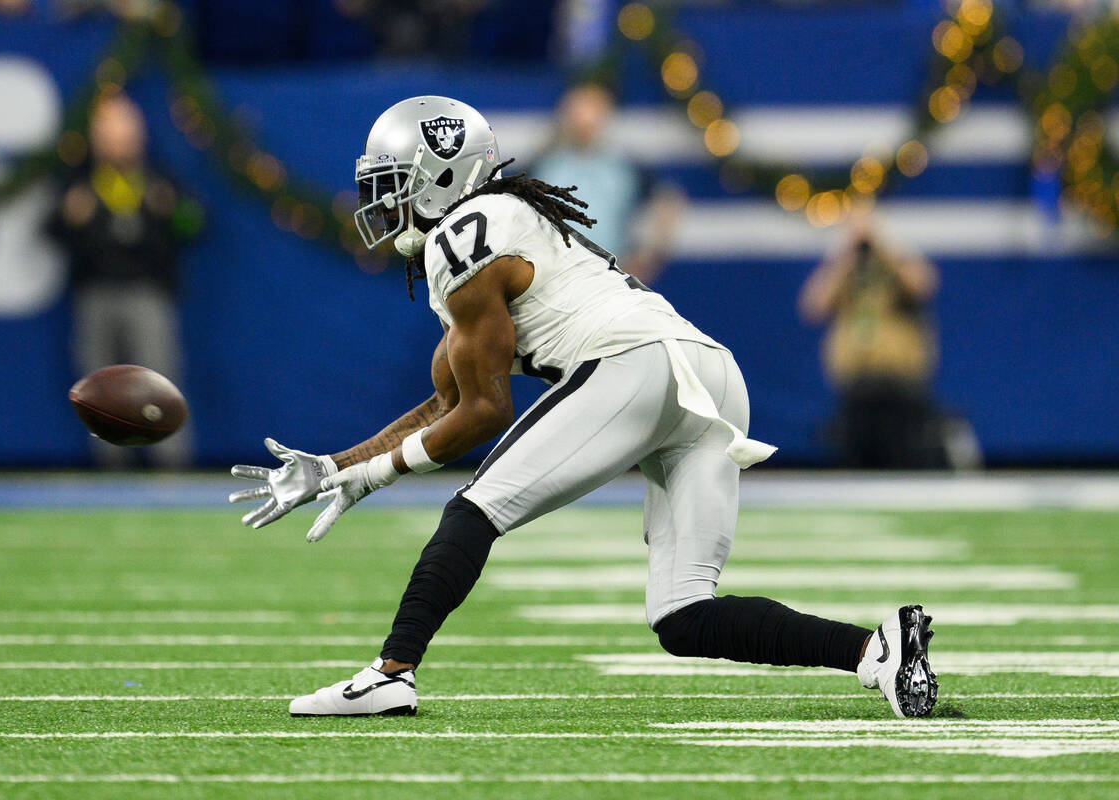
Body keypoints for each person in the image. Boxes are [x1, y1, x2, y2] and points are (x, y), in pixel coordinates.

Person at [229, 96, 937, 719]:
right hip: (710, 375)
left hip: (634, 366)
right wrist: (338, 467)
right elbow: (445, 401)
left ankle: (391, 674)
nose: (384, 205)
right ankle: (876, 651)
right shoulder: (508, 223)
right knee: (684, 616)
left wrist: (380, 475)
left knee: (475, 509)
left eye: (395, 186)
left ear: (441, 177)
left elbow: (482, 412)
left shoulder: (461, 236)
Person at [50, 90, 193, 469]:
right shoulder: (81, 181)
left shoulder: (158, 177)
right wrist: (68, 218)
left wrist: (171, 211)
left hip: (147, 292)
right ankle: (109, 469)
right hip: (95, 292)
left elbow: (194, 222)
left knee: (159, 379)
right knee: (99, 390)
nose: (116, 136)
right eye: (108, 128)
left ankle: (171, 465)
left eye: (122, 127)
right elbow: (50, 229)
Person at [798, 218, 947, 469]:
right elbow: (813, 306)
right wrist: (847, 254)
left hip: (901, 386)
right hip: (856, 387)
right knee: (858, 466)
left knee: (904, 461)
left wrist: (882, 243)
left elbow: (922, 285)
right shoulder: (845, 271)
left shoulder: (896, 267)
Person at [530, 83, 684, 286]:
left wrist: (647, 258)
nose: (584, 119)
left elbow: (668, 202)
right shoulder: (544, 165)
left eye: (593, 109)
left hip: (609, 279)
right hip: (554, 279)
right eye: (578, 109)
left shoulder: (623, 167)